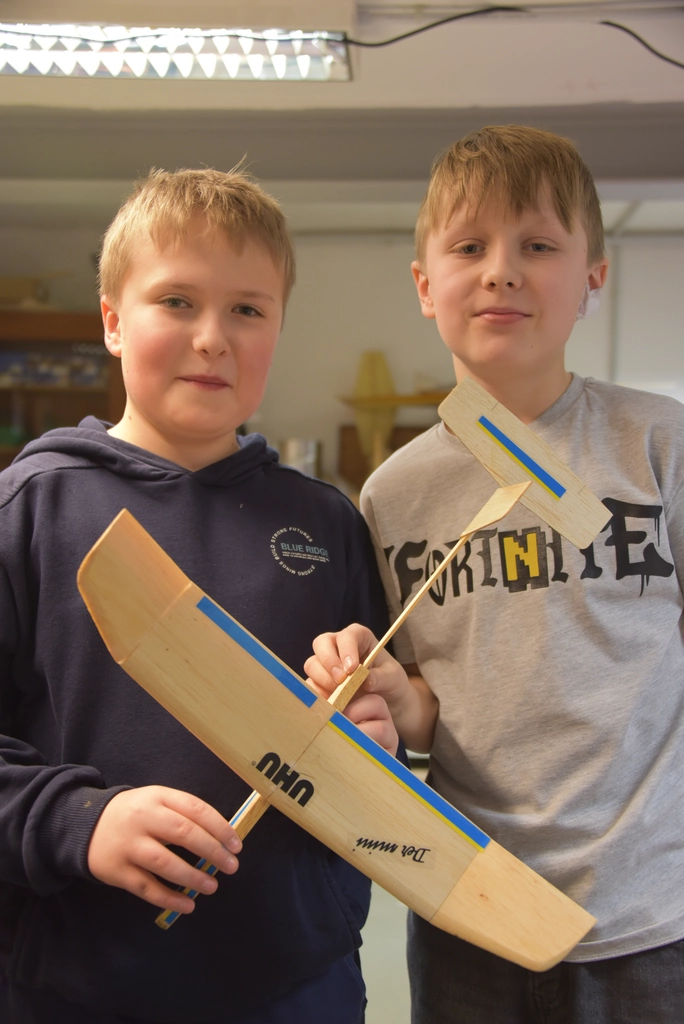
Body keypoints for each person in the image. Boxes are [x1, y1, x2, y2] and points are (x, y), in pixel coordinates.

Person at [0, 167, 397, 1024]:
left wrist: (376, 744)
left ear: (278, 329)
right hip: (77, 989)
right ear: (113, 321)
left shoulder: (327, 523)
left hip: (300, 987)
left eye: (247, 309)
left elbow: (373, 770)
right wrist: (78, 820)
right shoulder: (29, 510)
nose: (213, 338)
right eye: (177, 301)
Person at [305, 125, 684, 1023]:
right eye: (470, 247)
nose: (502, 272)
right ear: (424, 284)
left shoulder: (659, 444)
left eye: (539, 246)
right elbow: (431, 705)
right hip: (469, 915)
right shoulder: (392, 493)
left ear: (594, 277)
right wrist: (392, 699)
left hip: (647, 920)